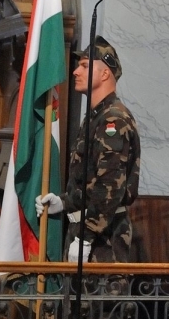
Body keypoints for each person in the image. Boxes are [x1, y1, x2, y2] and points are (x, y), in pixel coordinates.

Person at [35, 38, 140, 262]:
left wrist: (86, 236)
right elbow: (90, 179)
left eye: (84, 66)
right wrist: (65, 202)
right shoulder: (96, 117)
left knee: (97, 297)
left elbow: (109, 185)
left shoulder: (113, 119)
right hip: (86, 233)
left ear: (105, 74)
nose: (75, 71)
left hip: (103, 241)